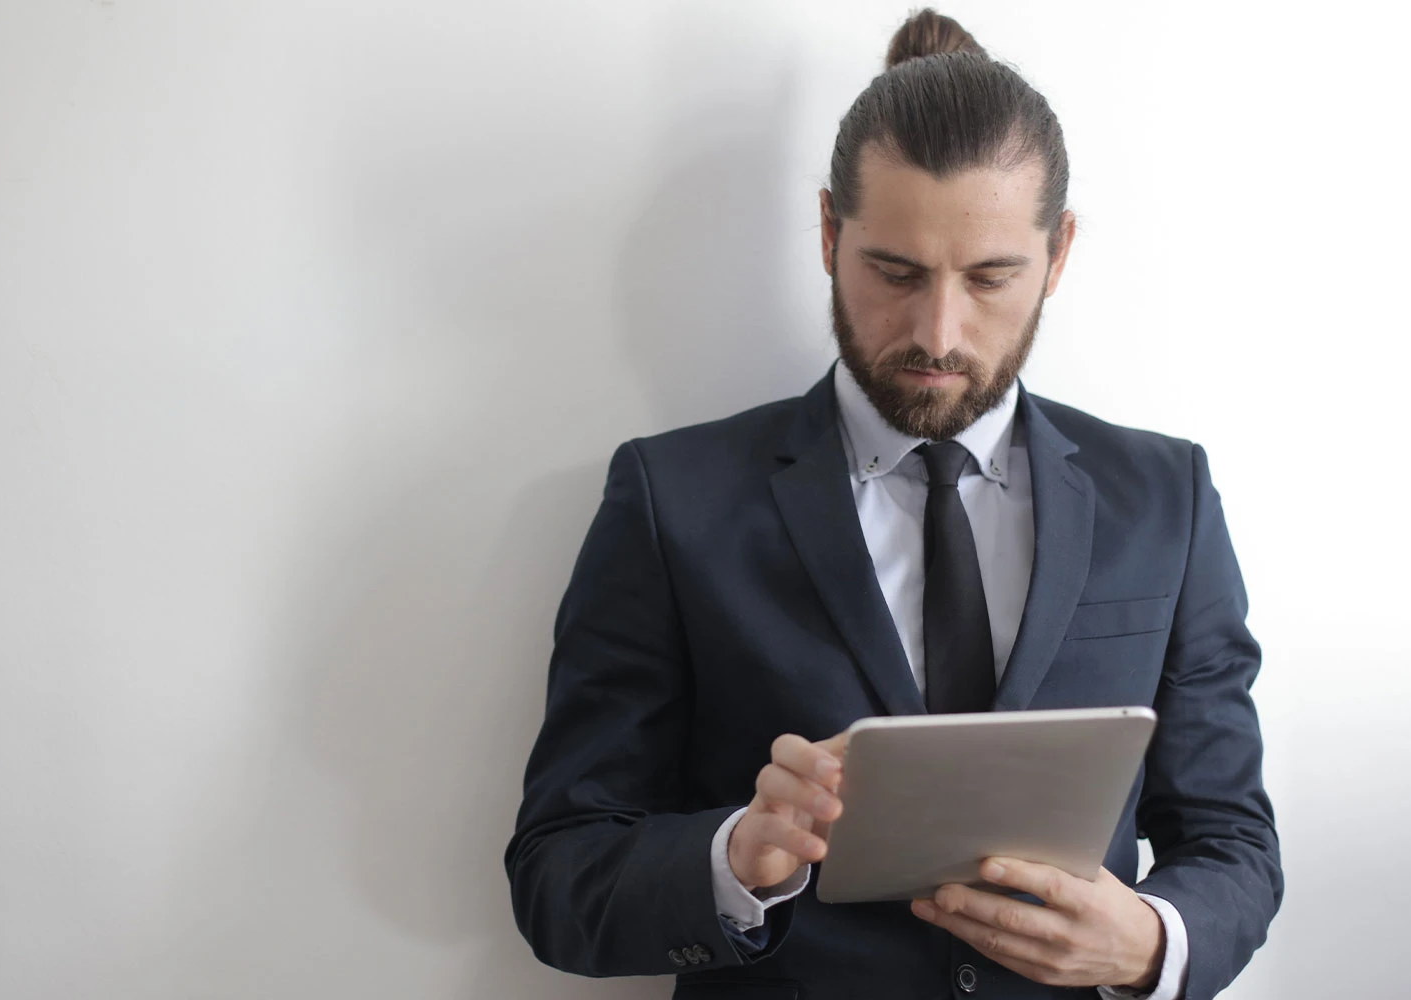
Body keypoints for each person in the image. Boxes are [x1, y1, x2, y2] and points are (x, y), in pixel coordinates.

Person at [503, 9, 1281, 999]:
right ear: (830, 232)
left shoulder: (1164, 498)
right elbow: (558, 873)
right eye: (894, 272)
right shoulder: (672, 500)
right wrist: (735, 857)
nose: (936, 331)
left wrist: (1150, 942)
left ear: (1059, 253)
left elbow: (1231, 842)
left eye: (990, 276)